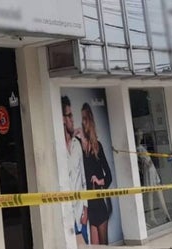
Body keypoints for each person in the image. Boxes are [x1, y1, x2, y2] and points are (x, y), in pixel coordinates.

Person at [80, 102, 112, 245]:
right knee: (94, 246)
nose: (83, 122)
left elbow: (109, 176)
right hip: (89, 205)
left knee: (104, 244)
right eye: (82, 119)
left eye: (85, 118)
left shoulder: (98, 147)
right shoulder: (81, 148)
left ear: (90, 121)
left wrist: (99, 181)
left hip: (99, 203)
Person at [61, 96, 89, 244]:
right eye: (69, 116)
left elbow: (84, 178)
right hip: (65, 215)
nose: (73, 120)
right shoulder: (58, 147)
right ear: (62, 119)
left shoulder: (77, 145)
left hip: (79, 214)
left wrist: (85, 207)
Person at [136, 128, 172, 226]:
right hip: (149, 171)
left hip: (152, 170)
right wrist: (146, 162)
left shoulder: (141, 147)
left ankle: (166, 214)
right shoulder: (138, 148)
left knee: (158, 192)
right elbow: (145, 162)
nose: (141, 136)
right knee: (151, 193)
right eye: (140, 134)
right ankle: (153, 216)